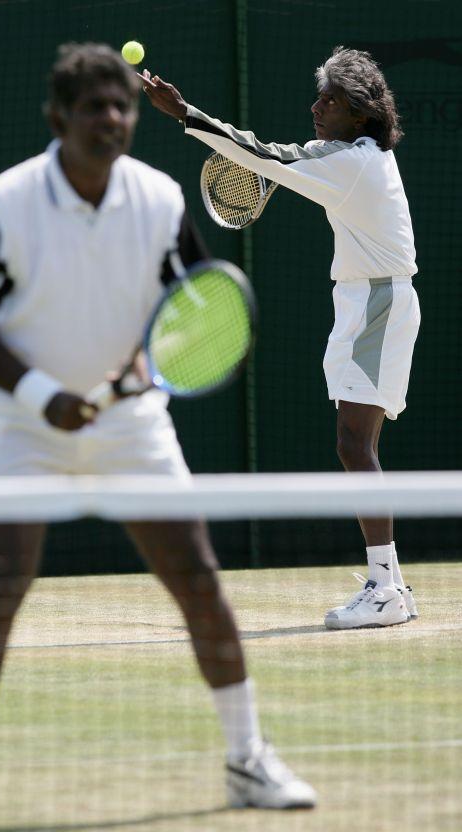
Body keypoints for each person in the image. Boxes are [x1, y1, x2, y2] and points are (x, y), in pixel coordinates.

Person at [0, 43, 316, 827]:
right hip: (19, 426)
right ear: (58, 117)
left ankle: (247, 758)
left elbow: (195, 308)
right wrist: (44, 397)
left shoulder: (161, 197)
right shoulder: (4, 204)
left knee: (198, 578)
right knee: (3, 583)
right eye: (95, 106)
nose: (112, 119)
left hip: (131, 421)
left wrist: (142, 367)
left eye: (123, 107)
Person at [140, 46, 420, 631]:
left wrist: (186, 113)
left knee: (353, 444)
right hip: (365, 301)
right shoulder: (350, 153)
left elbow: (261, 156)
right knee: (355, 442)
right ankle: (389, 582)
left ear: (360, 114)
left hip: (377, 303)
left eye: (331, 101)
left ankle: (386, 588)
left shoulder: (354, 165)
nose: (316, 107)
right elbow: (272, 153)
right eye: (320, 96)